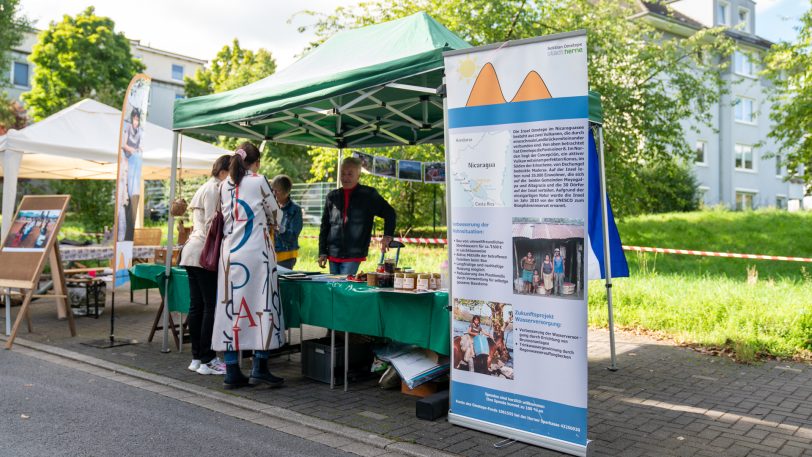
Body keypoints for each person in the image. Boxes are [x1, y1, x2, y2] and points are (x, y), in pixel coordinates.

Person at [212, 143, 286, 389]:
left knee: (230, 309)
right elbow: (276, 214)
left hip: (230, 253)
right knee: (261, 305)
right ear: (257, 162)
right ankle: (260, 366)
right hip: (256, 252)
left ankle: (232, 370)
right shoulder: (258, 181)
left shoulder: (224, 185)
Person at [179, 154, 231, 376]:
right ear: (223, 172)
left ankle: (197, 357)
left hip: (192, 252)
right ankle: (208, 358)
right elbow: (214, 223)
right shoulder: (215, 189)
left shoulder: (206, 187)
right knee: (209, 305)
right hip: (203, 253)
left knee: (197, 306)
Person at [318, 157, 396, 276]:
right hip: (332, 254)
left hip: (354, 254)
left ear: (358, 176)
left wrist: (387, 236)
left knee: (343, 289)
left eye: (350, 174)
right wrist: (322, 252)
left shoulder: (368, 195)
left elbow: (390, 213)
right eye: (343, 174)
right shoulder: (332, 196)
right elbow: (325, 226)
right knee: (334, 289)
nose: (345, 177)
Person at [271, 175, 303, 270]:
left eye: (277, 191)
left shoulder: (295, 210)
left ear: (286, 192)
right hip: (269, 254)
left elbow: (293, 235)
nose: (274, 193)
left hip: (286, 256)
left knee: (281, 283)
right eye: (272, 190)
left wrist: (281, 230)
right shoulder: (270, 207)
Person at [121, 108, 143, 241]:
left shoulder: (139, 131)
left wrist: (138, 150)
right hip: (128, 160)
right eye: (135, 119)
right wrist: (133, 150)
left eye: (138, 119)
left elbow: (140, 145)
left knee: (133, 194)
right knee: (127, 195)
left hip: (135, 161)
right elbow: (124, 145)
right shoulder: (128, 128)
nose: (136, 121)